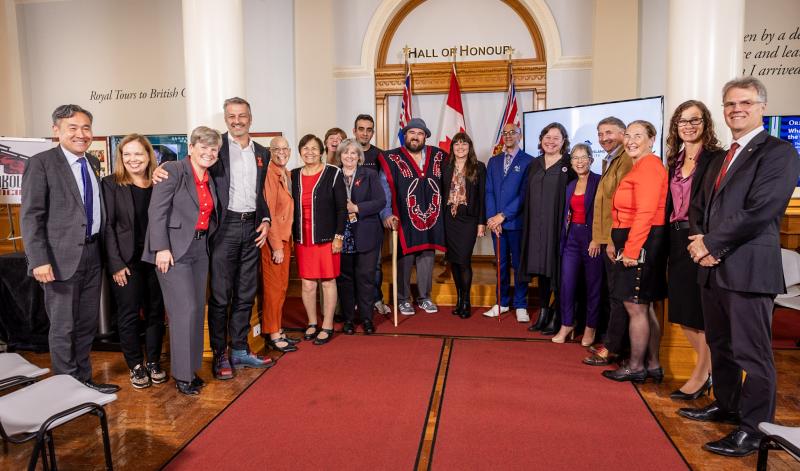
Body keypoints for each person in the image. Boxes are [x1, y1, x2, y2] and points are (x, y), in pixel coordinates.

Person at [680, 77, 800, 457]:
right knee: (721, 345)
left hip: (748, 268)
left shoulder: (779, 152)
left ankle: (754, 429)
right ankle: (727, 405)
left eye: (745, 103)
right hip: (712, 268)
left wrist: (713, 244)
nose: (736, 109)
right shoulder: (718, 157)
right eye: (730, 104)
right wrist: (701, 245)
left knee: (753, 353)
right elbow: (698, 207)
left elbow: (761, 210)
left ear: (761, 106)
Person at [153, 98, 274, 379]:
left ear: (251, 118)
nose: (237, 120)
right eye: (231, 116)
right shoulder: (214, 147)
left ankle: (240, 349)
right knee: (220, 296)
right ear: (226, 118)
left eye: (242, 115)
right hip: (224, 228)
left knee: (246, 293)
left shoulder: (261, 153)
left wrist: (265, 219)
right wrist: (158, 170)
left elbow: (259, 193)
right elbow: (188, 166)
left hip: (253, 228)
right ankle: (220, 353)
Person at [21, 104, 120, 394]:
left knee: (86, 324)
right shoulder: (41, 163)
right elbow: (31, 216)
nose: (81, 134)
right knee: (63, 327)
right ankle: (66, 390)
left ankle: (84, 381)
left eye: (86, 127)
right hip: (58, 259)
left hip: (92, 255)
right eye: (73, 128)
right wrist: (38, 260)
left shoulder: (91, 161)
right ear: (56, 131)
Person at [143, 126, 231, 395]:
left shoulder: (209, 177)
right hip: (173, 252)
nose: (208, 152)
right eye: (203, 147)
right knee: (184, 311)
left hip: (199, 249)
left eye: (213, 148)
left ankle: (191, 369)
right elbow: (156, 211)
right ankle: (181, 376)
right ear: (191, 148)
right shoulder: (173, 170)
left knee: (195, 311)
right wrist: (160, 248)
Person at [664, 100, 723, 400]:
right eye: (682, 121)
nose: (688, 125)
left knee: (701, 313)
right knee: (683, 311)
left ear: (705, 123)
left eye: (694, 120)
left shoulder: (715, 158)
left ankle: (703, 373)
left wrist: (708, 239)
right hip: (676, 240)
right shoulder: (673, 160)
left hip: (699, 238)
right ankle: (707, 368)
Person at [601, 120, 668, 384]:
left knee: (635, 305)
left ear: (651, 140)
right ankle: (652, 364)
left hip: (638, 242)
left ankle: (636, 366)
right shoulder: (640, 166)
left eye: (637, 135)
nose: (630, 140)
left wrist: (630, 250)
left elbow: (646, 213)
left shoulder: (650, 167)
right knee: (643, 305)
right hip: (634, 239)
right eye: (627, 135)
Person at [102, 134, 166, 388]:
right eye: (126, 154)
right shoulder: (110, 184)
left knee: (155, 313)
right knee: (128, 314)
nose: (132, 159)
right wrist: (115, 263)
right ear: (120, 158)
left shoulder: (160, 182)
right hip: (126, 262)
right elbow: (107, 227)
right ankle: (136, 365)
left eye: (138, 153)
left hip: (156, 259)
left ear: (148, 155)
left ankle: (153, 361)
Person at [379, 118, 447, 316]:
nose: (415, 137)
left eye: (420, 133)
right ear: (405, 135)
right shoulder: (392, 158)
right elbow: (385, 189)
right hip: (403, 218)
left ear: (425, 136)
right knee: (405, 259)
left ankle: (424, 297)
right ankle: (402, 299)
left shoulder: (438, 156)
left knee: (427, 257)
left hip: (431, 219)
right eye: (412, 133)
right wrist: (387, 213)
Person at [583, 117, 633, 366]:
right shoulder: (611, 159)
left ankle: (614, 348)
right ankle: (613, 342)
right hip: (606, 239)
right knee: (612, 293)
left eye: (609, 133)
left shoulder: (626, 160)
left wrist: (612, 240)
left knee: (618, 295)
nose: (603, 138)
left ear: (624, 133)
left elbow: (621, 204)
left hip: (617, 239)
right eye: (600, 133)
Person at [291, 134, 347, 345]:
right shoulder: (293, 175)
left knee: (328, 281)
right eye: (305, 148)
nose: (310, 152)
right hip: (302, 238)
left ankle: (328, 324)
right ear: (300, 152)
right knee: (307, 284)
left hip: (326, 238)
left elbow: (342, 209)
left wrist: (338, 237)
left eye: (314, 148)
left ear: (321, 151)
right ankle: (312, 322)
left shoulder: (333, 173)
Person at [522, 122, 576, 335]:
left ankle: (558, 315)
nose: (551, 141)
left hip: (558, 227)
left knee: (557, 271)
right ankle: (544, 312)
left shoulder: (569, 165)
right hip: (536, 227)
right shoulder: (534, 164)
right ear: (541, 139)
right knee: (542, 271)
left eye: (556, 137)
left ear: (563, 142)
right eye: (547, 136)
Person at [483, 123, 534, 321]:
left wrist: (503, 216)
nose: (508, 136)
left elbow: (524, 195)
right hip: (497, 226)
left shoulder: (529, 161)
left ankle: (521, 304)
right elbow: (489, 191)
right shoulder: (493, 162)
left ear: (519, 136)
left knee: (519, 265)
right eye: (505, 133)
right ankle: (502, 302)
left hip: (516, 223)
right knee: (500, 264)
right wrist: (492, 218)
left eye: (512, 132)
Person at [553, 143, 603, 345]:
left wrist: (597, 238)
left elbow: (604, 214)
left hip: (592, 239)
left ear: (591, 159)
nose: (580, 161)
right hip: (572, 238)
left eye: (584, 157)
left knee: (593, 285)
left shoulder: (599, 181)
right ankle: (567, 324)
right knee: (567, 283)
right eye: (575, 158)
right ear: (571, 162)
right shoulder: (570, 186)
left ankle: (591, 327)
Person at [335, 139, 386, 334]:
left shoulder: (370, 174)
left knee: (365, 278)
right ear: (340, 156)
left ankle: (366, 319)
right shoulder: (334, 175)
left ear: (359, 156)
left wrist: (357, 208)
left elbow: (381, 201)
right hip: (342, 235)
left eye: (353, 153)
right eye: (345, 153)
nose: (349, 156)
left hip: (366, 232)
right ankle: (348, 319)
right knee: (346, 279)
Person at [443, 132, 486, 319]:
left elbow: (483, 198)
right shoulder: (445, 167)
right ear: (452, 147)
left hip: (468, 220)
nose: (460, 148)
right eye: (457, 145)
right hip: (448, 220)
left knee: (464, 260)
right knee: (453, 260)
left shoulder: (479, 167)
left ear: (470, 147)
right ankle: (459, 299)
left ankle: (466, 301)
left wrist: (481, 222)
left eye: (464, 144)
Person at [261, 136, 298, 353]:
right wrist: (275, 245)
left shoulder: (287, 174)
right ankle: (273, 333)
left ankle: (278, 328)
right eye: (276, 149)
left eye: (285, 149)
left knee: (282, 287)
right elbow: (269, 214)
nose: (281, 152)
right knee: (274, 289)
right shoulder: (269, 174)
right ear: (270, 151)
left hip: (286, 239)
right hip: (274, 241)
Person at [354, 113, 391, 316]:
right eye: (361, 129)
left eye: (369, 129)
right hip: (350, 219)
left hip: (372, 219)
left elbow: (386, 188)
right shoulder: (348, 152)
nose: (365, 133)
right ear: (355, 131)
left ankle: (376, 299)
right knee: (354, 265)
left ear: (373, 132)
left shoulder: (380, 156)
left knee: (374, 265)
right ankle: (357, 301)